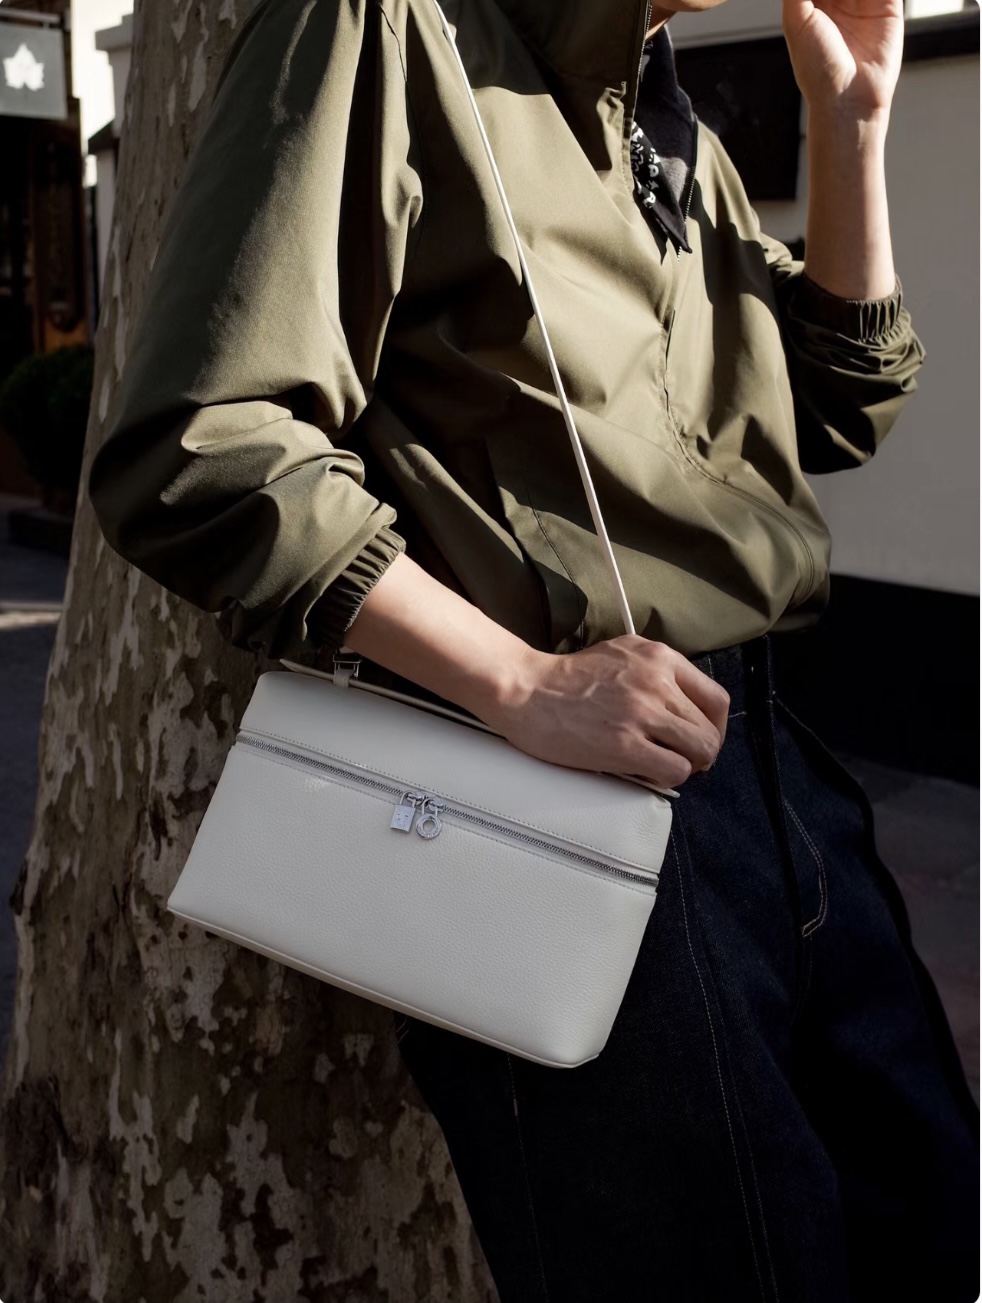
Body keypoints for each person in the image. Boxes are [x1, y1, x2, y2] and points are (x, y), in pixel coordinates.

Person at [87, 0, 979, 1298]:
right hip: (559, 800)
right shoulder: (386, 25)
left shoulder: (669, 123)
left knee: (934, 1230)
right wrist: (523, 684)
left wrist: (850, 128)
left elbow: (835, 403)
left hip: (781, 772)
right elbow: (203, 446)